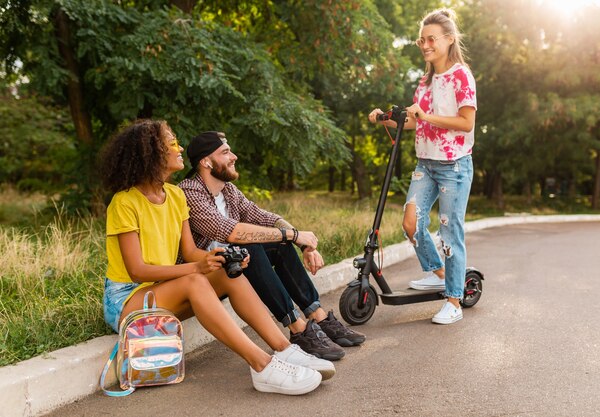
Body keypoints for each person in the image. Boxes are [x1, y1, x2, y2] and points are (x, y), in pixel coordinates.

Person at [100, 119, 336, 396]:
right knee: (194, 281)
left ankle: (286, 350)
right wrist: (197, 267)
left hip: (162, 292)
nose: (180, 148)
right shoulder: (124, 202)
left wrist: (218, 258)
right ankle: (262, 366)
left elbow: (190, 252)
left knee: (226, 272)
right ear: (151, 152)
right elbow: (138, 271)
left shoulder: (175, 196)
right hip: (128, 299)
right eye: (172, 142)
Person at [178, 131, 366, 361]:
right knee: (252, 245)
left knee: (279, 244)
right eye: (226, 152)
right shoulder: (189, 191)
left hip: (231, 266)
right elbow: (228, 230)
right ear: (205, 161)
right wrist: (293, 235)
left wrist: (301, 242)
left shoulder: (228, 191)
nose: (234, 156)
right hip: (203, 274)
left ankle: (317, 316)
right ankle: (298, 329)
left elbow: (263, 217)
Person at [368, 8, 477, 325]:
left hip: (453, 166)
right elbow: (417, 122)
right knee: (411, 223)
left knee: (449, 233)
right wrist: (385, 119)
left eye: (431, 39)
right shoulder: (425, 80)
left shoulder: (461, 76)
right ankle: (440, 274)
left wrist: (426, 117)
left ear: (448, 39)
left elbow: (467, 123)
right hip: (426, 163)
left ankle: (454, 301)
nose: (425, 45)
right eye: (422, 40)